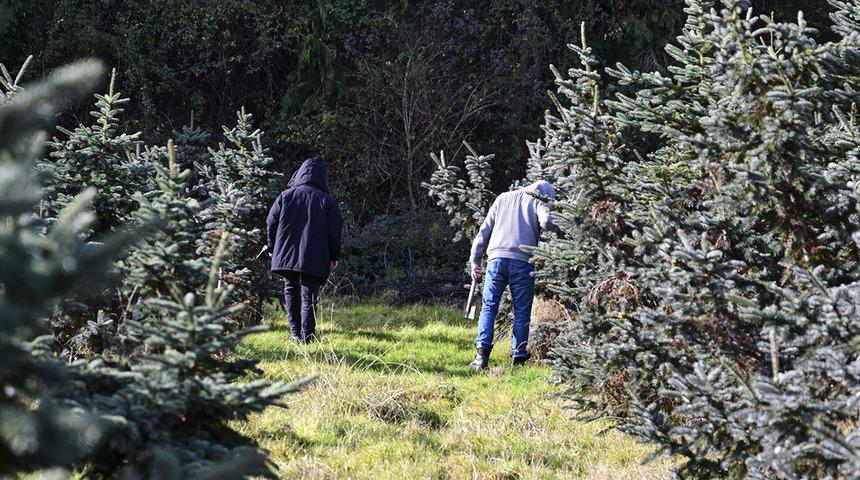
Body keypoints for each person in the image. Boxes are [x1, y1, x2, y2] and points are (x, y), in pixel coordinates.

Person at [467, 180, 555, 370]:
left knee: (489, 308)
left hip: (495, 261)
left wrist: (475, 260)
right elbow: (546, 221)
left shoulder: (502, 198)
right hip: (522, 263)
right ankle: (518, 360)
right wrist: (565, 227)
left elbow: (483, 232)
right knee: (521, 312)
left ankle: (481, 359)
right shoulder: (539, 200)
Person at [267, 158, 343, 343]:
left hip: (285, 253)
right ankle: (307, 337)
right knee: (309, 295)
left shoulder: (285, 196)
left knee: (290, 289)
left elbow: (271, 222)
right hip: (314, 256)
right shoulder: (327, 200)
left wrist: (271, 247)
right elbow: (335, 230)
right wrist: (334, 255)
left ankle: (294, 333)